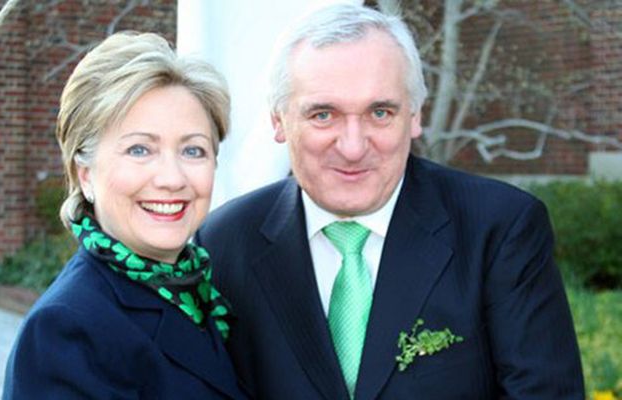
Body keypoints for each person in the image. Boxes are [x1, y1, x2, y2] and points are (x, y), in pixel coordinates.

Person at [196, 4, 584, 399]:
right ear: (278, 121)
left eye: (379, 112)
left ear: (415, 115)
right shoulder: (224, 243)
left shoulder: (499, 230)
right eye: (323, 115)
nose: (352, 147)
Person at [3, 32, 247, 399]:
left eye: (193, 151)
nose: (171, 179)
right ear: (85, 175)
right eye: (139, 149)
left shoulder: (205, 291)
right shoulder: (67, 329)